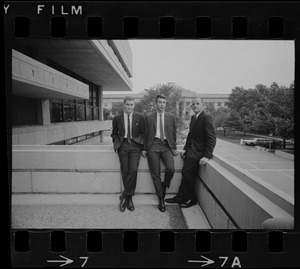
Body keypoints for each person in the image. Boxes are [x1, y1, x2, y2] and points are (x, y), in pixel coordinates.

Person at [165, 97, 216, 208]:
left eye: (197, 103)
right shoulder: (194, 118)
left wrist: (207, 156)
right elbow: (191, 136)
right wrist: (185, 148)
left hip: (199, 153)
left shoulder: (207, 117)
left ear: (203, 105)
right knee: (186, 174)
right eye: (193, 104)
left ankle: (192, 199)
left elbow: (211, 138)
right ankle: (181, 197)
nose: (194, 105)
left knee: (186, 173)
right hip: (191, 151)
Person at [142, 94, 178, 212]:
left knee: (171, 169)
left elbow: (173, 133)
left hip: (166, 145)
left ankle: (164, 184)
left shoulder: (171, 117)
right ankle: (161, 198)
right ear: (155, 103)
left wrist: (174, 147)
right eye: (160, 102)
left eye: (164, 102)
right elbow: (145, 134)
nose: (162, 104)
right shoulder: (149, 117)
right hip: (153, 145)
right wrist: (144, 148)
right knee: (155, 173)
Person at [111, 96, 145, 212]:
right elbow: (114, 133)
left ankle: (125, 196)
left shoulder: (140, 117)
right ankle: (129, 199)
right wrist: (116, 143)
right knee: (125, 171)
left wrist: (143, 147)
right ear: (124, 105)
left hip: (135, 145)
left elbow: (143, 133)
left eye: (132, 105)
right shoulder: (117, 118)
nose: (130, 107)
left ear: (134, 106)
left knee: (133, 169)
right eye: (128, 104)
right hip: (123, 145)